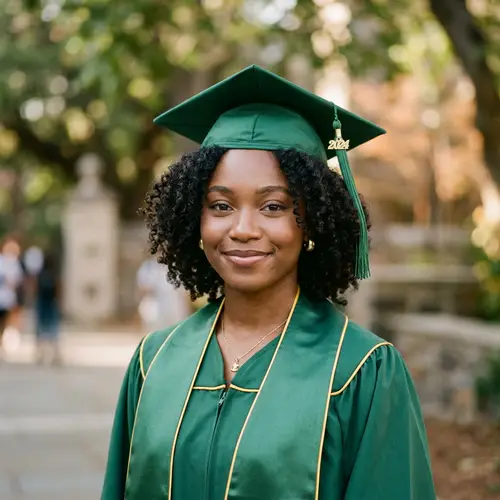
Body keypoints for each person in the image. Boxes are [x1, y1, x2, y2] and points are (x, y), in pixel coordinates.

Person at [101, 66, 436, 499]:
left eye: (273, 206)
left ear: (312, 219)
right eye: (220, 205)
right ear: (193, 219)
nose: (242, 228)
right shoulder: (154, 361)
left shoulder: (360, 371)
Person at [136, 256, 192, 333]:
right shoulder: (148, 267)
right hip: (155, 309)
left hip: (175, 309)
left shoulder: (177, 267)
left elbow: (185, 292)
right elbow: (142, 287)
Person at [34, 251, 62, 365]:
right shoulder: (55, 274)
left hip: (42, 302)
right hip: (52, 302)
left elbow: (36, 289)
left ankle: (40, 353)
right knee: (54, 328)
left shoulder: (40, 274)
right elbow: (59, 289)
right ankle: (55, 354)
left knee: (40, 329)